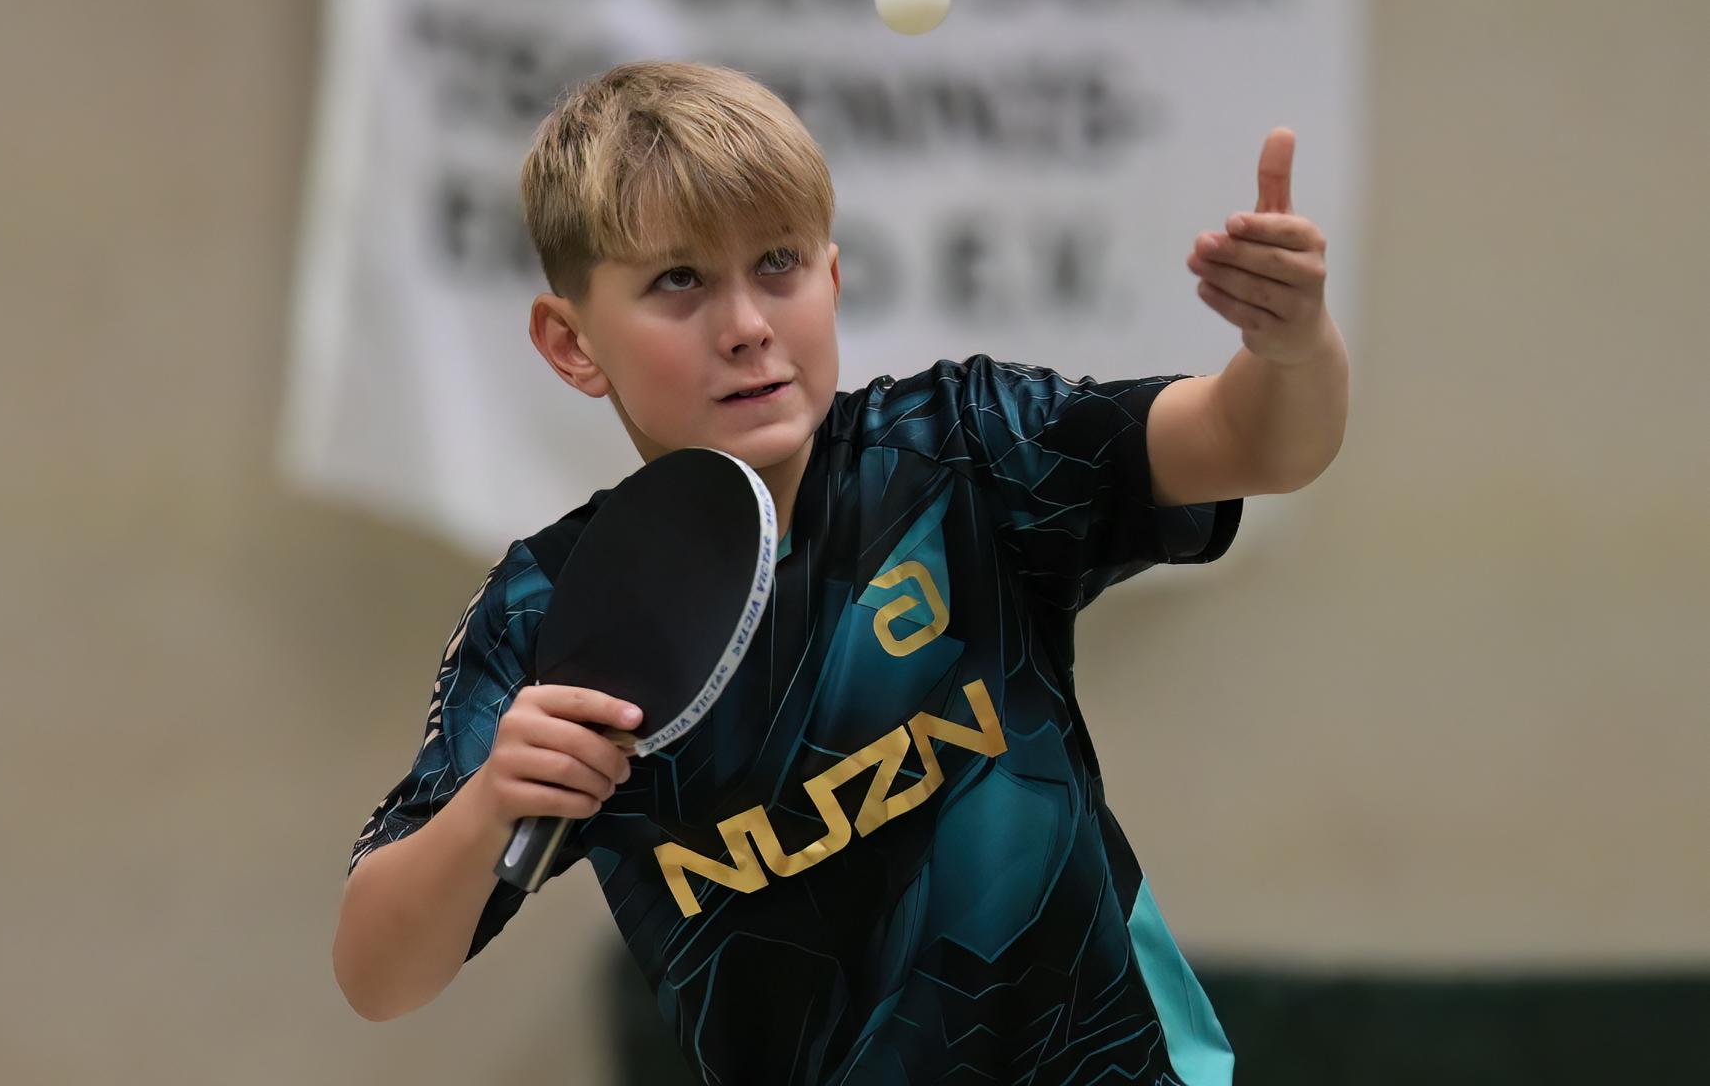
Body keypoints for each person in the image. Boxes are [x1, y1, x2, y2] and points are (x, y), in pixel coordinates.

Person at [332, 60, 1349, 1084]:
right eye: (678, 281)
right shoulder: (548, 614)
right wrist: (490, 804)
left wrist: (1292, 346)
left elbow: (1253, 441)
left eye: (776, 263)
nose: (746, 325)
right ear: (571, 342)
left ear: (831, 280)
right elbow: (378, 975)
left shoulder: (963, 450)